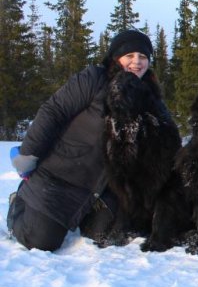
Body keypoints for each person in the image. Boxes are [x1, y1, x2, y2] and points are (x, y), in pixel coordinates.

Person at [7, 29, 166, 251]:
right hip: (60, 176)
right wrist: (28, 154)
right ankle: (19, 203)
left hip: (102, 186)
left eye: (143, 57)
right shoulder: (95, 79)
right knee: (41, 241)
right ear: (115, 58)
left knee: (109, 236)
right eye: (129, 55)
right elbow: (54, 112)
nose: (136, 62)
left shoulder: (150, 97)